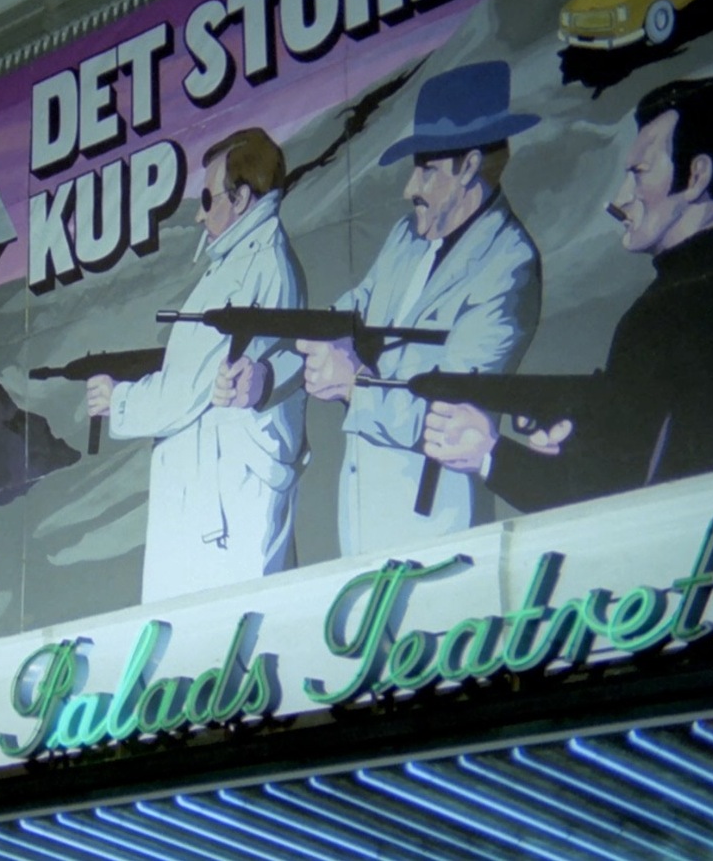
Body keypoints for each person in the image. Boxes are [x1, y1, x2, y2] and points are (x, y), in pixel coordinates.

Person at [422, 77, 713, 510]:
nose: (620, 199)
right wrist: (583, 430)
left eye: (639, 174)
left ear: (696, 176)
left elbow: (604, 497)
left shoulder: (677, 310)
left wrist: (488, 454)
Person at [218, 61, 543, 558]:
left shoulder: (508, 264)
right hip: (362, 524)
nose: (409, 188)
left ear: (469, 167)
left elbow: (451, 415)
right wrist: (265, 377)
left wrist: (353, 385)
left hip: (438, 533)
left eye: (426, 170)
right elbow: (335, 325)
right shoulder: (405, 238)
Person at [86, 128, 306, 602]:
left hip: (225, 512)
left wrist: (118, 400)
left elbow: (187, 390)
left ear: (241, 198)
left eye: (208, 199)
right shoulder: (241, 260)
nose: (199, 214)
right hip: (218, 503)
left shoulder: (252, 268)